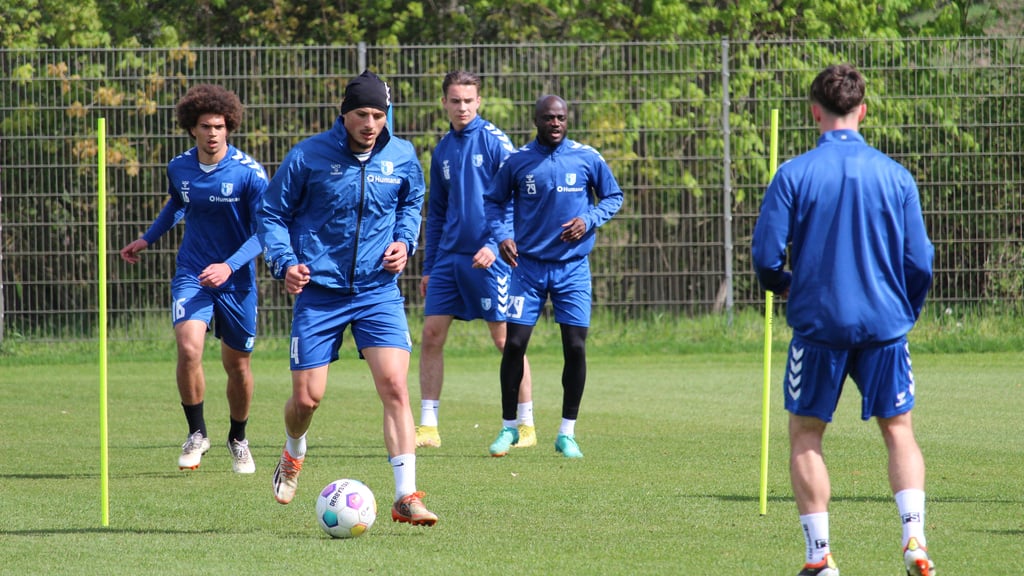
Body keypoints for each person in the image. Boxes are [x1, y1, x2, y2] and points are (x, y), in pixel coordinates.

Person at [751, 64, 935, 576]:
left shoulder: (793, 173)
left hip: (818, 326)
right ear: (864, 111)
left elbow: (766, 257)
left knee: (806, 434)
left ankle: (819, 558)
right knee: (899, 430)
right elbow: (920, 260)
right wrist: (904, 310)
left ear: (814, 112)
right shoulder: (896, 175)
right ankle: (914, 539)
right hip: (884, 325)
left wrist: (784, 286)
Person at [257, 69, 437, 526]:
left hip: (378, 291)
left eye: (379, 114)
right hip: (320, 292)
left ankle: (405, 496)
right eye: (362, 114)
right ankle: (294, 450)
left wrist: (404, 242)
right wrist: (284, 262)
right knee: (307, 400)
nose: (371, 123)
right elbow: (272, 214)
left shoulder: (401, 155)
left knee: (395, 386)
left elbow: (412, 203)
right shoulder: (308, 156)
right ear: (344, 114)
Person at [119, 84, 267, 474]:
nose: (213, 133)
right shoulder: (179, 167)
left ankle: (238, 437)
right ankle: (198, 433)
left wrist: (229, 266)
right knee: (189, 350)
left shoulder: (250, 173)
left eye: (220, 126)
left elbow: (266, 232)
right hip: (193, 273)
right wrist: (147, 238)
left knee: (237, 366)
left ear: (229, 127)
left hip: (236, 280)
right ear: (192, 128)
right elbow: (177, 204)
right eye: (205, 126)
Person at [482, 94, 623, 459]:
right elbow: (493, 202)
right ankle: (509, 428)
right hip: (526, 268)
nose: (555, 123)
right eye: (548, 118)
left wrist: (589, 219)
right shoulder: (518, 161)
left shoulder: (587, 157)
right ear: (537, 121)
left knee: (575, 347)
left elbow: (613, 196)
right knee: (514, 345)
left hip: (573, 268)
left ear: (567, 119)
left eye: (560, 117)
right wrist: (502, 237)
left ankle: (567, 433)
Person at [416, 70, 536, 450]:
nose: (462, 107)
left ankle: (526, 424)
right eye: (455, 100)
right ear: (445, 103)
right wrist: (429, 266)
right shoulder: (443, 148)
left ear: (479, 102)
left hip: (492, 257)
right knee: (431, 335)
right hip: (450, 259)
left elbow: (518, 199)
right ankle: (429, 427)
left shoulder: (496, 142)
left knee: (505, 341)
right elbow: (436, 211)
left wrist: (495, 241)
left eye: (469, 100)